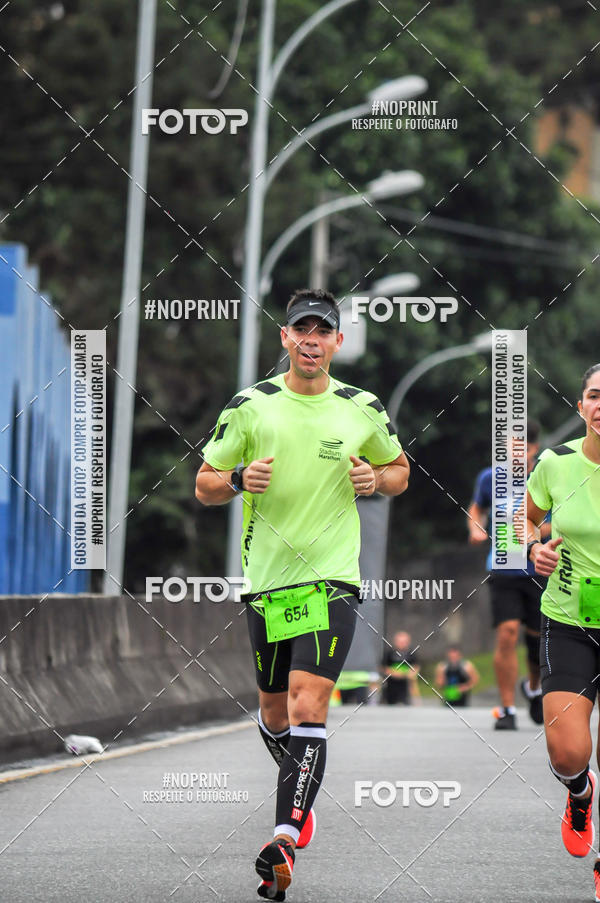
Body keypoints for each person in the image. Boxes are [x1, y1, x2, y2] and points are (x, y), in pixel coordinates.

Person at [195, 289, 410, 901]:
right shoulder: (250, 406)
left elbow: (400, 471)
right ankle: (302, 793)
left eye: (323, 332)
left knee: (307, 702)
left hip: (332, 578)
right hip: (266, 582)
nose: (311, 340)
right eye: (301, 331)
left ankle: (284, 836)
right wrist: (237, 479)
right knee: (272, 714)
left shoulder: (361, 407)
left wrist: (376, 478)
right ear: (284, 339)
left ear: (337, 343)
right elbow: (204, 485)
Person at [525, 364, 600, 899]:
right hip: (570, 620)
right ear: (581, 407)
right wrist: (533, 548)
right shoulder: (555, 464)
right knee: (567, 753)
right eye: (596, 396)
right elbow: (520, 519)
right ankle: (579, 793)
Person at [468, 420, 551, 729]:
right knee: (507, 632)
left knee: (535, 639)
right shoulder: (491, 478)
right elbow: (477, 508)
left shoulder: (543, 478)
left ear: (532, 449)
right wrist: (476, 527)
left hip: (538, 566)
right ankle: (506, 709)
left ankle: (533, 687)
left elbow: (555, 522)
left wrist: (530, 530)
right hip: (503, 566)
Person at [381, 630, 420, 705]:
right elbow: (384, 668)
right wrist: (396, 674)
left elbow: (416, 667)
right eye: (400, 642)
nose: (402, 644)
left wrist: (410, 674)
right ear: (395, 642)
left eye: (404, 642)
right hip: (391, 686)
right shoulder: (389, 653)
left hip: (406, 686)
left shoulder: (411, 654)